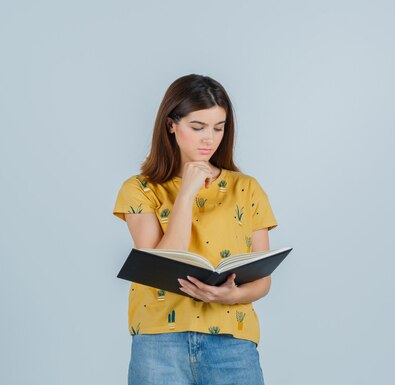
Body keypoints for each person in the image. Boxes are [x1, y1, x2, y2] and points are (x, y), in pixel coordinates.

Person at [112, 74, 278, 385]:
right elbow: (159, 265)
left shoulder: (247, 188)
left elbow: (262, 278)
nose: (209, 139)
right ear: (171, 124)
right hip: (159, 341)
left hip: (232, 341)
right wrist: (186, 192)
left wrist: (233, 295)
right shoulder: (139, 189)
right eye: (197, 127)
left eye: (219, 127)